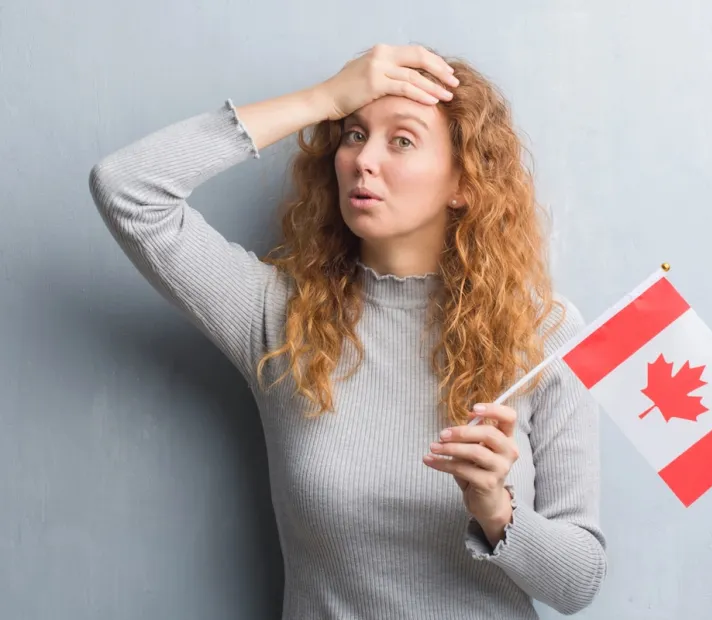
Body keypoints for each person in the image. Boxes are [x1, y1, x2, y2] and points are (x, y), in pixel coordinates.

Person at [89, 43, 606, 619]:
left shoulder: (543, 332)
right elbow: (127, 189)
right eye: (354, 134)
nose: (363, 160)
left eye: (401, 140)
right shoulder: (281, 317)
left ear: (463, 182)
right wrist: (324, 98)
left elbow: (579, 582)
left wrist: (497, 510)